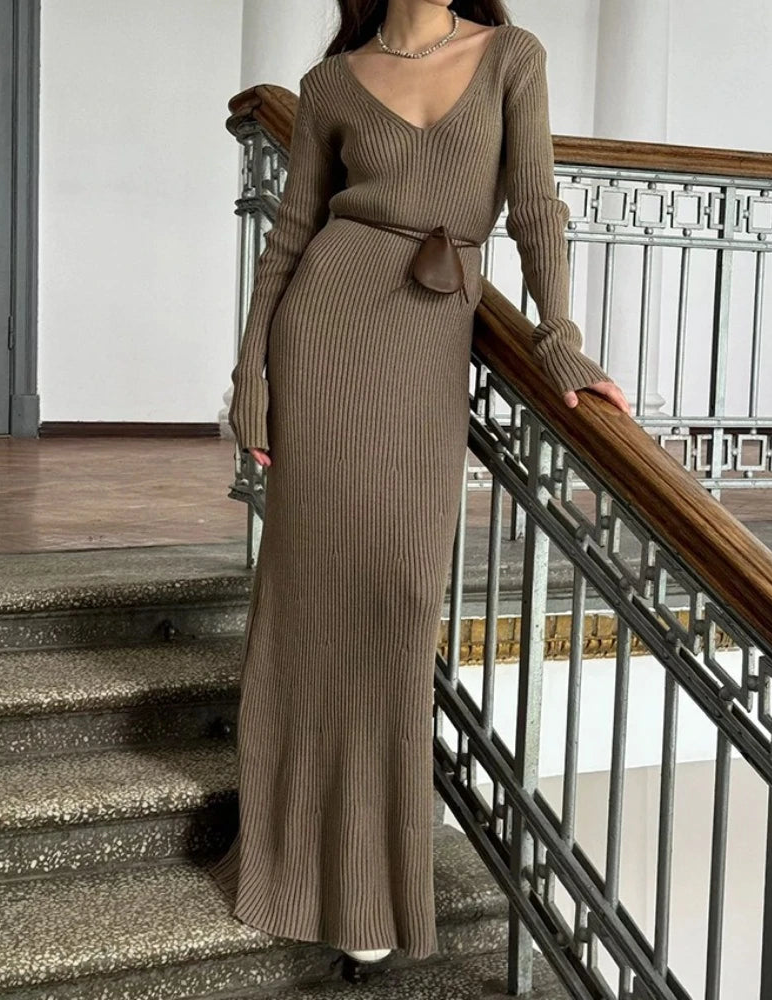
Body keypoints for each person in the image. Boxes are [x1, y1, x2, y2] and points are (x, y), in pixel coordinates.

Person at [210, 0, 630, 984]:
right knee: (313, 605)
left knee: (399, 601)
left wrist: (556, 335)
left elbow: (535, 205)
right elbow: (288, 237)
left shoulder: (511, 58)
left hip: (423, 342)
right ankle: (303, 867)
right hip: (325, 328)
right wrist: (251, 382)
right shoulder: (329, 84)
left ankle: (366, 875)